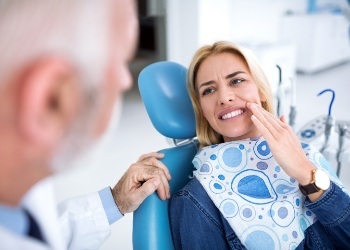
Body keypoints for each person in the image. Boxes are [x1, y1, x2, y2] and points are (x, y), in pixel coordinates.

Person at [0, 0, 171, 249]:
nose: (125, 81)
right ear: (51, 100)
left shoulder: (20, 187)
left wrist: (115, 201)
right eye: (120, 62)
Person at [169, 41, 350, 249]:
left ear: (261, 92)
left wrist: (306, 173)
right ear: (202, 110)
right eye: (208, 90)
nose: (224, 98)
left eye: (236, 80)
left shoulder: (306, 154)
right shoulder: (195, 201)